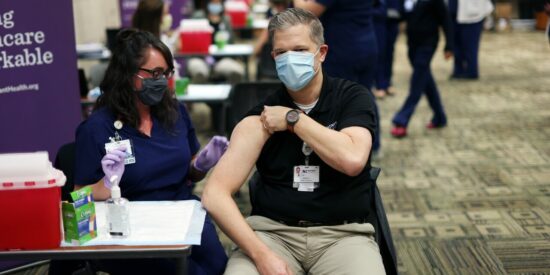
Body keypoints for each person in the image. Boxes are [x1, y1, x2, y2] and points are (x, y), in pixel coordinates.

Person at [202, 8, 385, 274]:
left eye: (300, 50)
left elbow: (353, 160)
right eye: (281, 53)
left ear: (321, 53)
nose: (290, 59)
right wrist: (261, 255)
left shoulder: (352, 98)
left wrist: (293, 120)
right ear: (273, 57)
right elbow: (214, 194)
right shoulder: (260, 117)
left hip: (343, 236)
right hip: (272, 235)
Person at [73, 29, 228, 275]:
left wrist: (201, 165)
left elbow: (189, 172)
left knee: (217, 265)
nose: (162, 80)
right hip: (130, 225)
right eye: (154, 73)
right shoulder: (96, 128)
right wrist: (104, 185)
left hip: (180, 211)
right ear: (127, 74)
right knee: (189, 272)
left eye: (166, 73)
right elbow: (78, 198)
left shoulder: (175, 113)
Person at [293, 0, 382, 155]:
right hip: (366, 41)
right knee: (365, 93)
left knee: (337, 98)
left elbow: (306, 12)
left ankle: (345, 145)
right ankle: (372, 143)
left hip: (344, 48)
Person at [390, 0, 453, 138]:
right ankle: (440, 116)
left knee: (417, 81)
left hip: (428, 44)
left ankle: (402, 120)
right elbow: (402, 15)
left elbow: (445, 19)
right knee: (425, 79)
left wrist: (449, 45)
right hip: (412, 44)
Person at [187, 0, 245, 83]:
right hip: (200, 58)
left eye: (218, 3)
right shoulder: (198, 16)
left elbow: (231, 42)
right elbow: (191, 41)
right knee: (199, 71)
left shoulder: (226, 19)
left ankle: (232, 95)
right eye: (213, 3)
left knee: (237, 71)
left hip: (221, 59)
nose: (215, 5)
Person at [448, 0, 493, 80]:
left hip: (473, 15)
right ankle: (458, 71)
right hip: (454, 13)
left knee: (470, 46)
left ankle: (471, 71)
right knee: (456, 45)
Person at [374, 0, 402, 98]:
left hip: (394, 18)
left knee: (390, 51)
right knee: (380, 51)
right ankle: (379, 85)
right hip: (378, 17)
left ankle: (387, 82)